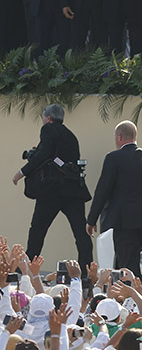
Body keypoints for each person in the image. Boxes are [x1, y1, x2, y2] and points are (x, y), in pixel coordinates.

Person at [10, 104, 92, 271]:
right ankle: (87, 269)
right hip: (74, 189)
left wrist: (21, 172)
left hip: (52, 190)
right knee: (80, 232)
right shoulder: (70, 135)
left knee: (38, 230)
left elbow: (44, 154)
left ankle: (27, 267)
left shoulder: (48, 129)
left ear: (47, 118)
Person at [86, 120, 142, 276]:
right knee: (132, 259)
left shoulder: (113, 158)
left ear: (119, 137)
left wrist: (91, 220)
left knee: (128, 264)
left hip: (123, 221)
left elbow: (102, 191)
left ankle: (132, 296)